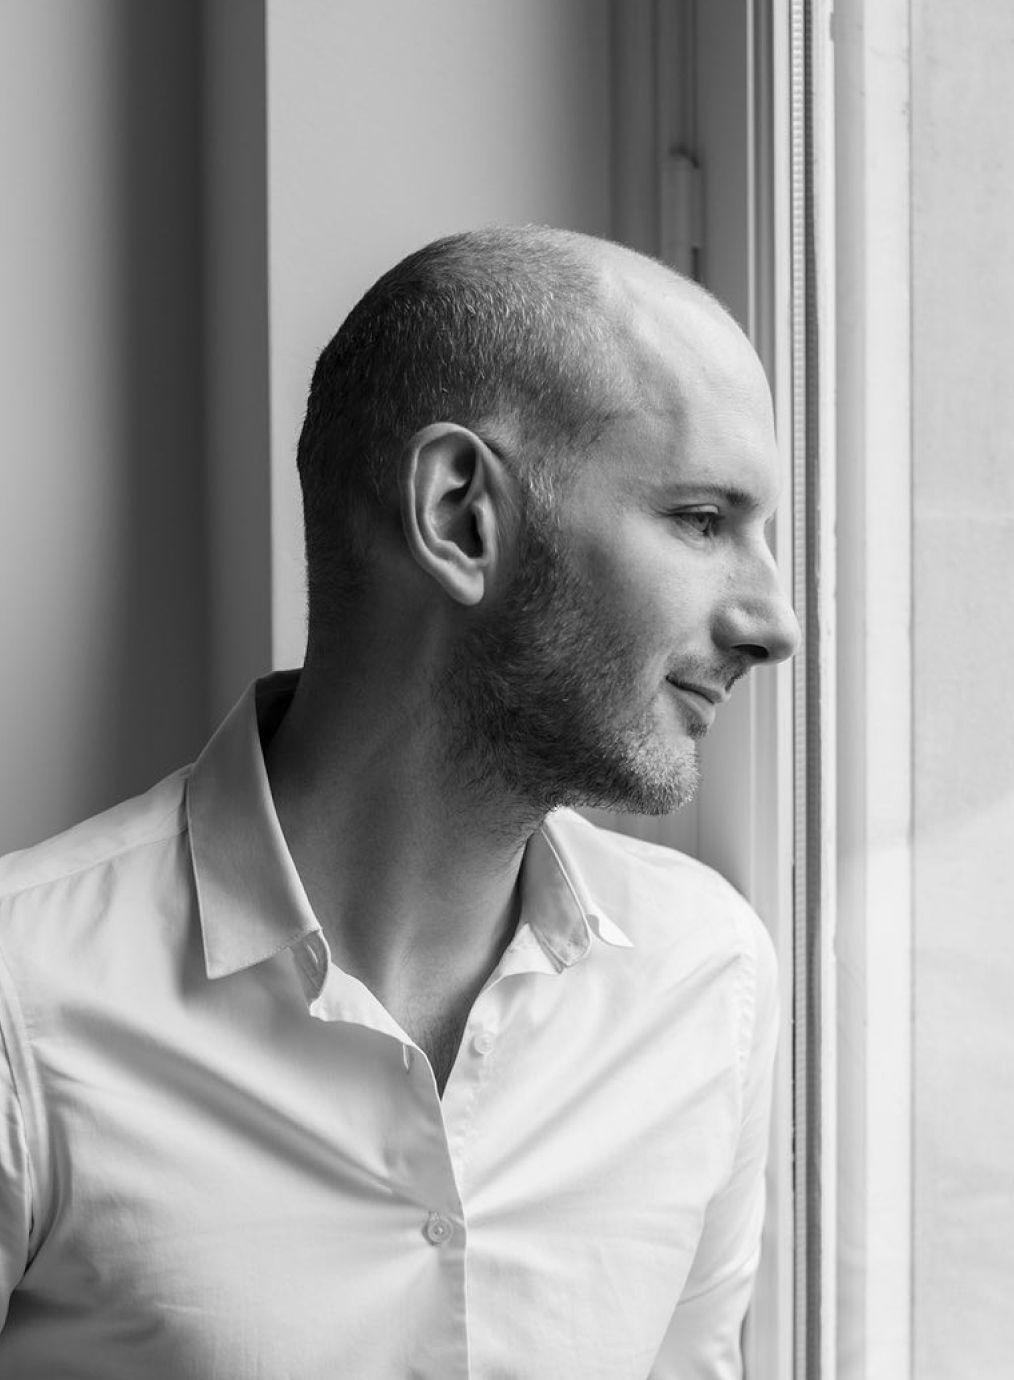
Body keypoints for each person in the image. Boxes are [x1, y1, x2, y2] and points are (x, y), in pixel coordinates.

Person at [0, 226, 799, 1378]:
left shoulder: (708, 981)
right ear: (460, 514)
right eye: (703, 521)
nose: (774, 624)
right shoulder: (23, 1004)